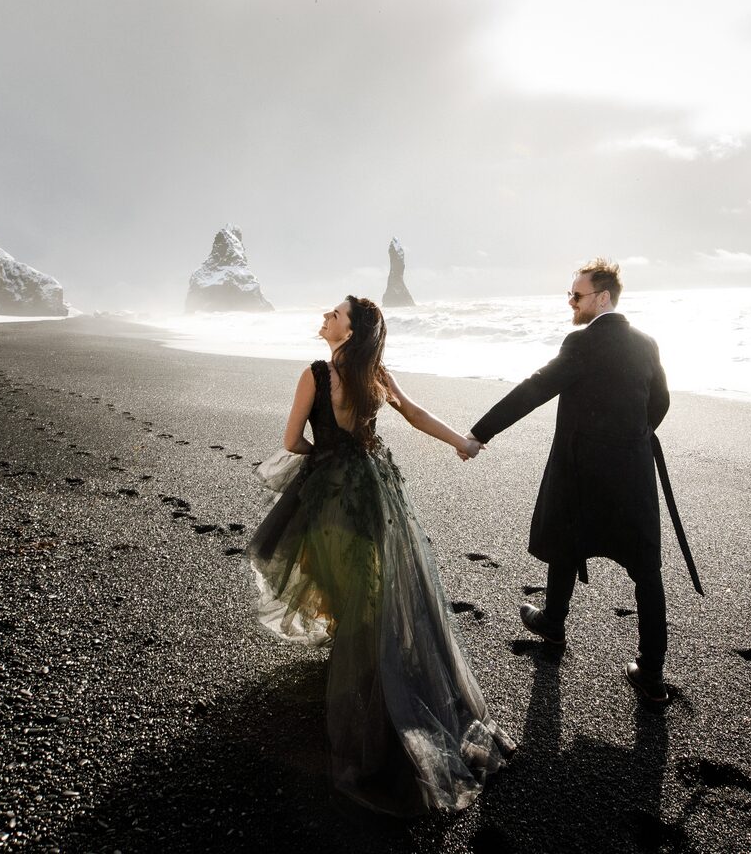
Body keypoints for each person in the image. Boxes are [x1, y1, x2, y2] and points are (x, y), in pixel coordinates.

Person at [247, 295, 514, 816]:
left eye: (334, 314)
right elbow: (414, 415)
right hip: (375, 488)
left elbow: (291, 440)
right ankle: (378, 670)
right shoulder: (375, 373)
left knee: (334, 575)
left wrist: (325, 453)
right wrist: (462, 440)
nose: (325, 317)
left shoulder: (317, 374)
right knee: (376, 579)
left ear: (349, 331)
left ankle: (368, 693)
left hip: (330, 489)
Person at [466, 258, 682, 704]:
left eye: (576, 295)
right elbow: (659, 402)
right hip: (633, 473)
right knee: (646, 571)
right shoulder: (647, 344)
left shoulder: (582, 343)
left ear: (602, 298)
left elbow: (536, 387)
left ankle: (554, 623)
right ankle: (651, 672)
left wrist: (479, 432)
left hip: (581, 469)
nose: (571, 301)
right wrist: (632, 439)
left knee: (568, 539)